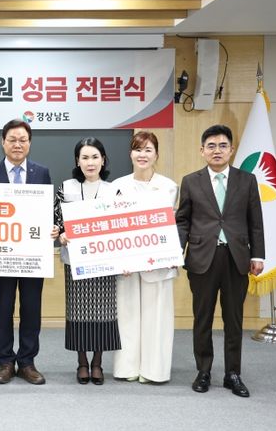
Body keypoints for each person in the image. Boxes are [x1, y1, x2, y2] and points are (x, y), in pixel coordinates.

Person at [176, 124, 264, 398]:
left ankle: (232, 374)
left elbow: (256, 222)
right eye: (211, 146)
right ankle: (203, 371)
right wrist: (176, 251)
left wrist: (257, 254)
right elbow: (183, 221)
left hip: (236, 258)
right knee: (202, 318)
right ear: (202, 151)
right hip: (202, 258)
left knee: (234, 319)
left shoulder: (247, 180)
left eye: (223, 145)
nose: (217, 150)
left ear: (231, 150)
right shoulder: (191, 181)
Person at [0, 119, 52, 385]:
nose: (17, 144)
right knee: (4, 308)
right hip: (2, 255)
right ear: (3, 142)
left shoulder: (41, 173)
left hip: (33, 255)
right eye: (12, 140)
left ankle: (27, 362)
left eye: (23, 140)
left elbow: (48, 211)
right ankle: (5, 362)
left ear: (29, 143)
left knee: (32, 308)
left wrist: (53, 227)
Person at [111, 131, 178, 384]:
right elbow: (112, 226)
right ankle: (126, 368)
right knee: (127, 316)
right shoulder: (116, 186)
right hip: (126, 264)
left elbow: (172, 226)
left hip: (158, 264)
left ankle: (154, 371)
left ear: (156, 155)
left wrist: (162, 254)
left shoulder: (169, 186)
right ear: (130, 153)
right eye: (138, 149)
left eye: (148, 150)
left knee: (157, 317)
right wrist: (119, 259)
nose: (142, 155)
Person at [53, 137, 120, 385]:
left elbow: (121, 225)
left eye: (95, 157)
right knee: (78, 311)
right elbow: (56, 222)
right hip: (75, 261)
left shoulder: (114, 190)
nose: (90, 162)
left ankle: (98, 363)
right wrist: (60, 234)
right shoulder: (66, 187)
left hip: (105, 261)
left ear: (103, 160)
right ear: (77, 161)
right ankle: (82, 362)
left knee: (103, 311)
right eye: (85, 157)